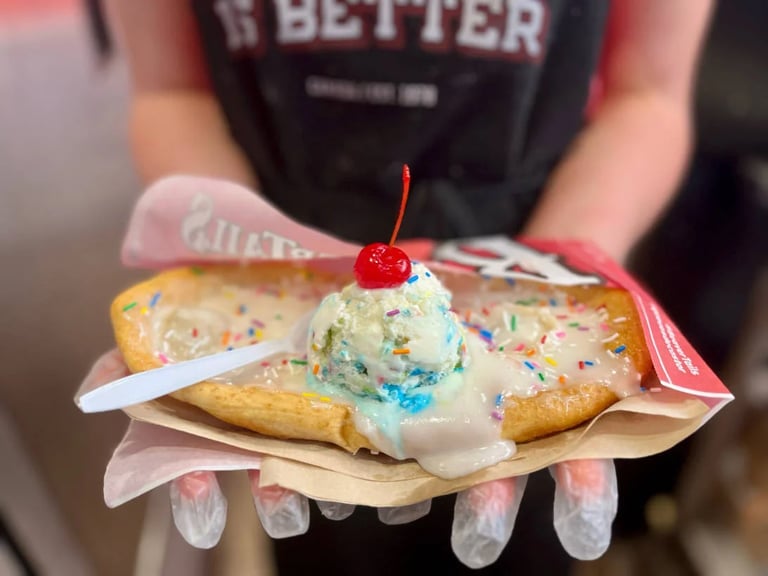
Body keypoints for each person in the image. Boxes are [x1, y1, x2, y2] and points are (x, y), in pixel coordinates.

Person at [102, 0, 713, 573]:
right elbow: (171, 90)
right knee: (322, 544)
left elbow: (648, 94)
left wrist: (551, 282)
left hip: (534, 283)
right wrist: (235, 273)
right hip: (275, 289)